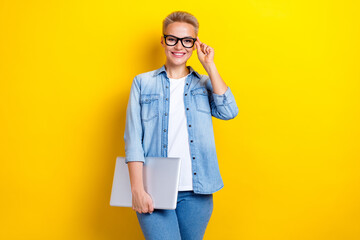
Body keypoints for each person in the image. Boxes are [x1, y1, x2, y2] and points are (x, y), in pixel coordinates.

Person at [123, 11, 239, 240]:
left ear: (195, 44)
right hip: (153, 188)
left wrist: (210, 66)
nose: (179, 46)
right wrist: (137, 189)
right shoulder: (142, 83)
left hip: (197, 191)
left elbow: (229, 111)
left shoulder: (205, 83)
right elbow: (133, 139)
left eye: (187, 40)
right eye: (172, 39)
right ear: (163, 40)